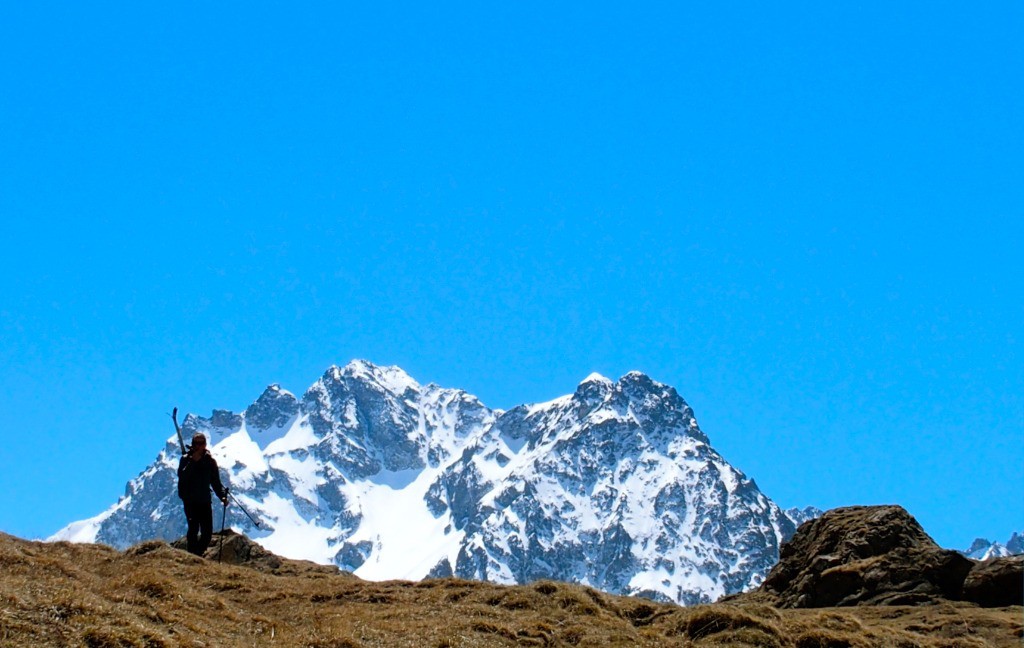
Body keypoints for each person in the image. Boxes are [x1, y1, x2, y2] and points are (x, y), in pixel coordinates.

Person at [177, 432, 228, 556]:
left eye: (201, 443)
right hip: (190, 501)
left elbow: (215, 482)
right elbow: (182, 476)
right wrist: (193, 462)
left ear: (205, 445)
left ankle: (198, 554)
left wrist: (222, 496)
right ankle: (192, 555)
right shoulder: (185, 459)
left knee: (207, 532)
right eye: (196, 443)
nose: (199, 446)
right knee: (193, 529)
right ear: (193, 444)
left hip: (204, 500)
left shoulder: (210, 462)